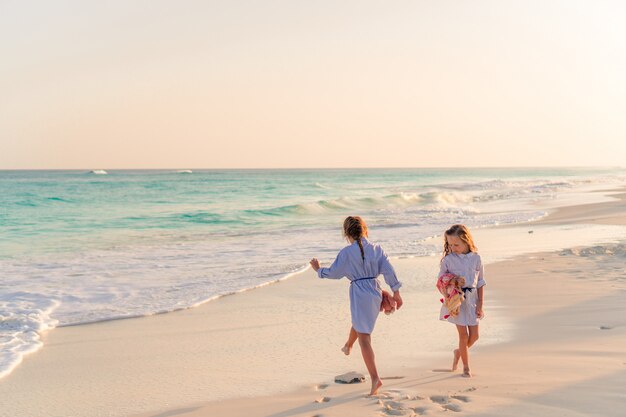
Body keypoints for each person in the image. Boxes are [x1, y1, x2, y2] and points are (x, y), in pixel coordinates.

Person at [310, 216, 403, 395]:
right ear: (365, 229)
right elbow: (389, 270)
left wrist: (318, 269)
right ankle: (348, 345)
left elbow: (334, 273)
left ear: (346, 233)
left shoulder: (346, 253)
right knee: (360, 323)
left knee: (365, 338)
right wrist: (396, 292)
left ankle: (375, 378)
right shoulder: (377, 248)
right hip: (375, 290)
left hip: (359, 292)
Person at [439, 224, 486, 378]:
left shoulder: (476, 258)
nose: (453, 248)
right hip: (456, 300)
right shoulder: (448, 260)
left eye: (456, 245)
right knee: (463, 336)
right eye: (450, 244)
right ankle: (466, 367)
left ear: (466, 241)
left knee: (475, 336)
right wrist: (453, 280)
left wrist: (481, 304)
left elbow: (480, 282)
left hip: (472, 300)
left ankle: (459, 352)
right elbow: (440, 281)